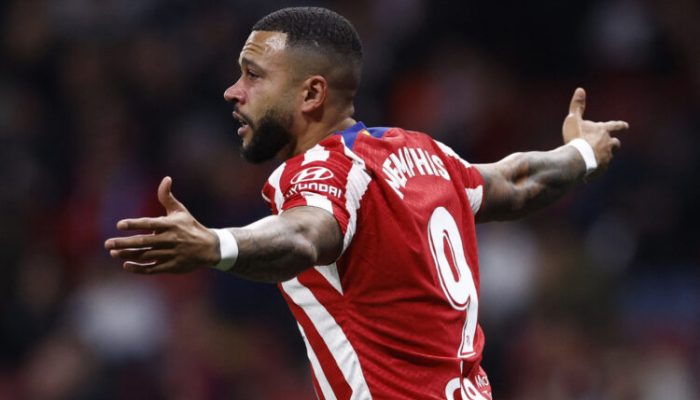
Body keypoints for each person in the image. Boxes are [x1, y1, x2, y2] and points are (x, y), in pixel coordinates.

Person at [104, 7, 628, 400]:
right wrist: (582, 153)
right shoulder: (425, 154)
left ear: (311, 95)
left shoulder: (319, 171)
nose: (233, 91)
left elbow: (306, 234)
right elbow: (518, 180)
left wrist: (215, 245)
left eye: (253, 74)